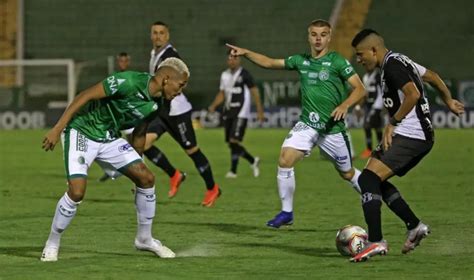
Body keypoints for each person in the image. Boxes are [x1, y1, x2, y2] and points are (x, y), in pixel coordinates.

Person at [40, 57, 189, 262]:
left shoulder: (157, 104)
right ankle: (52, 242)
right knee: (77, 191)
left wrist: (137, 171)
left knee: (146, 179)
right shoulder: (128, 81)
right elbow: (85, 96)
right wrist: (57, 129)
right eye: (180, 85)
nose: (181, 90)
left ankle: (144, 239)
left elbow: (139, 134)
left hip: (108, 137)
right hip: (82, 130)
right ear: (166, 79)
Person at [227, 19, 366, 228]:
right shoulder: (301, 61)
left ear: (329, 37)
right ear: (308, 37)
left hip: (332, 129)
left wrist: (345, 105)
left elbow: (360, 88)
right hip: (308, 124)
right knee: (284, 159)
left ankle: (374, 193)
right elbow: (269, 62)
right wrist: (246, 52)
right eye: (314, 34)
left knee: (347, 173)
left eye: (323, 34)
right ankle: (286, 212)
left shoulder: (337, 61)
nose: (318, 38)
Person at [349, 29, 465, 262]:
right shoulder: (400, 60)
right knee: (374, 181)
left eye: (361, 55)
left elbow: (411, 94)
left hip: (411, 134)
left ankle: (376, 241)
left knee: (368, 179)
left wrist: (393, 122)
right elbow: (431, 75)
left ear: (374, 50)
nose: (359, 60)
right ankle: (414, 226)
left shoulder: (392, 66)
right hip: (417, 134)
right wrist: (448, 99)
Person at [144, 21, 220, 206]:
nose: (158, 36)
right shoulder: (155, 53)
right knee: (144, 143)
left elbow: (182, 78)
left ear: (167, 36)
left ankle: (212, 188)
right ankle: (174, 174)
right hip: (162, 110)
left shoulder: (171, 56)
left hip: (177, 112)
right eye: (155, 33)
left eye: (162, 33)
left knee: (192, 151)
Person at [208, 52, 265, 179]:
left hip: (241, 112)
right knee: (231, 143)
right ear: (227, 60)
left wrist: (259, 110)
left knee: (234, 140)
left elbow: (254, 91)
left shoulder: (244, 74)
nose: (233, 61)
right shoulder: (224, 75)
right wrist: (213, 105)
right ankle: (247, 163)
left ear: (239, 60)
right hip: (229, 112)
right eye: (230, 58)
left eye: (235, 58)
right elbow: (222, 93)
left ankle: (237, 168)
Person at [357, 67, 384, 159]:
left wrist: (380, 106)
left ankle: (372, 149)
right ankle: (380, 149)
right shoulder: (365, 77)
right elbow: (365, 93)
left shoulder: (378, 76)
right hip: (368, 105)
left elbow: (381, 92)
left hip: (377, 105)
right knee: (377, 127)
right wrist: (359, 106)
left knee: (368, 125)